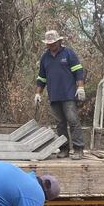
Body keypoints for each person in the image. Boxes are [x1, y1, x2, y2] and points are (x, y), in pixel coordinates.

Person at [35, 30, 86, 160]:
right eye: (48, 43)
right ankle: (64, 149)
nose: (51, 45)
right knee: (60, 124)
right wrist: (38, 93)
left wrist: (80, 87)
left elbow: (78, 71)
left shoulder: (68, 54)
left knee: (73, 120)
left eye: (53, 43)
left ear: (59, 41)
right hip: (54, 96)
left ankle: (78, 149)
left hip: (68, 94)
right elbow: (42, 78)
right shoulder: (45, 58)